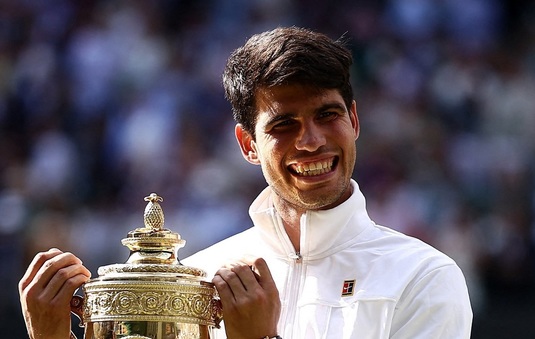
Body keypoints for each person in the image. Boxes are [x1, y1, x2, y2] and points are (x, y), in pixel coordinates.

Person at [19, 27, 472, 339]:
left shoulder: (423, 277)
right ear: (247, 144)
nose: (311, 141)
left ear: (353, 120)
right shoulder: (195, 280)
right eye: (284, 125)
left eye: (327, 115)